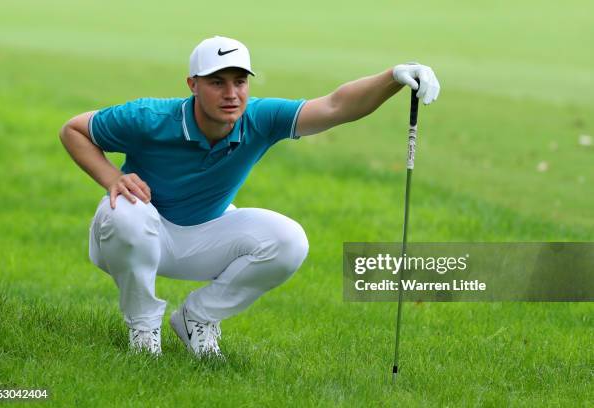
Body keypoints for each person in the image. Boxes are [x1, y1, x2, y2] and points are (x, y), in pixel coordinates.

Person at [59, 36, 440, 358]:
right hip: (139, 232)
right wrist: (112, 177)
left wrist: (393, 77)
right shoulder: (148, 117)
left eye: (239, 82)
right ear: (192, 84)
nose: (231, 94)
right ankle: (143, 331)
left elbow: (336, 106)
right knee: (127, 211)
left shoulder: (260, 118)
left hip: (204, 236)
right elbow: (73, 129)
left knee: (289, 240)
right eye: (216, 82)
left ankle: (197, 319)